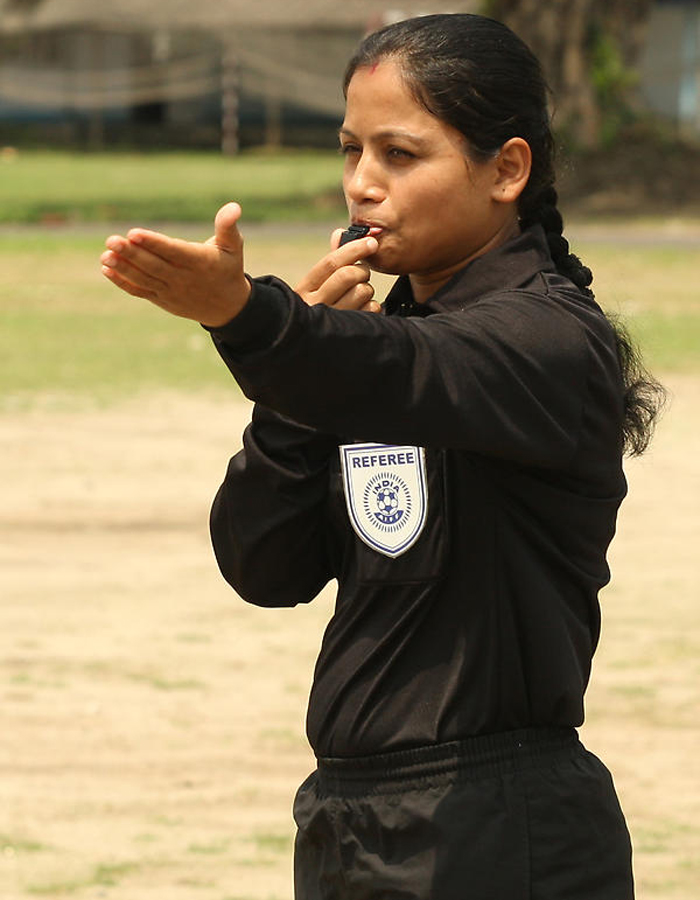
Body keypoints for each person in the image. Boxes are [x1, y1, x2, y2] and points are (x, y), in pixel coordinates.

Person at [100, 13, 665, 900]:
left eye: (400, 156)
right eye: (350, 149)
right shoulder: (372, 349)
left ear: (507, 169)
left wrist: (257, 319)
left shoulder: (548, 338)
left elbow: (413, 373)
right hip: (351, 825)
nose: (362, 184)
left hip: (494, 828)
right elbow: (264, 567)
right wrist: (296, 398)